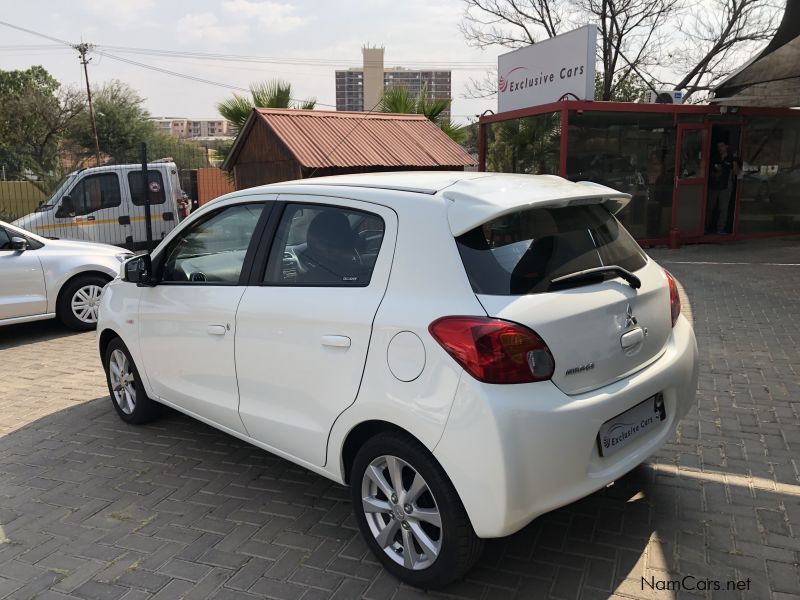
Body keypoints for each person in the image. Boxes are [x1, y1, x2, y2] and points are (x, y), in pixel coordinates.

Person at [707, 141, 740, 234]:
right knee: (709, 207)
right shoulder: (714, 157)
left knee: (723, 209)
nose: (720, 148)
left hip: (725, 187)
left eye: (721, 146)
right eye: (718, 146)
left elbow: (736, 173)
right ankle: (705, 228)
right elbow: (707, 171)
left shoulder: (731, 158)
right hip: (713, 186)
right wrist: (715, 174)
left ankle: (720, 229)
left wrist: (735, 163)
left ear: (726, 146)